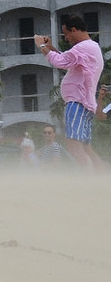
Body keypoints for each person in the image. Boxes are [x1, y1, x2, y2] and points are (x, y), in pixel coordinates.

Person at [34, 15, 105, 172]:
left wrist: (41, 46)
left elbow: (60, 62)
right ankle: (102, 180)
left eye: (66, 34)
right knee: (87, 149)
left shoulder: (84, 47)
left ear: (74, 30)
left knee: (73, 145)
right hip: (84, 103)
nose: (66, 38)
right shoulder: (90, 47)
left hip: (77, 103)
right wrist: (51, 48)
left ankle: (88, 181)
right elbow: (68, 60)